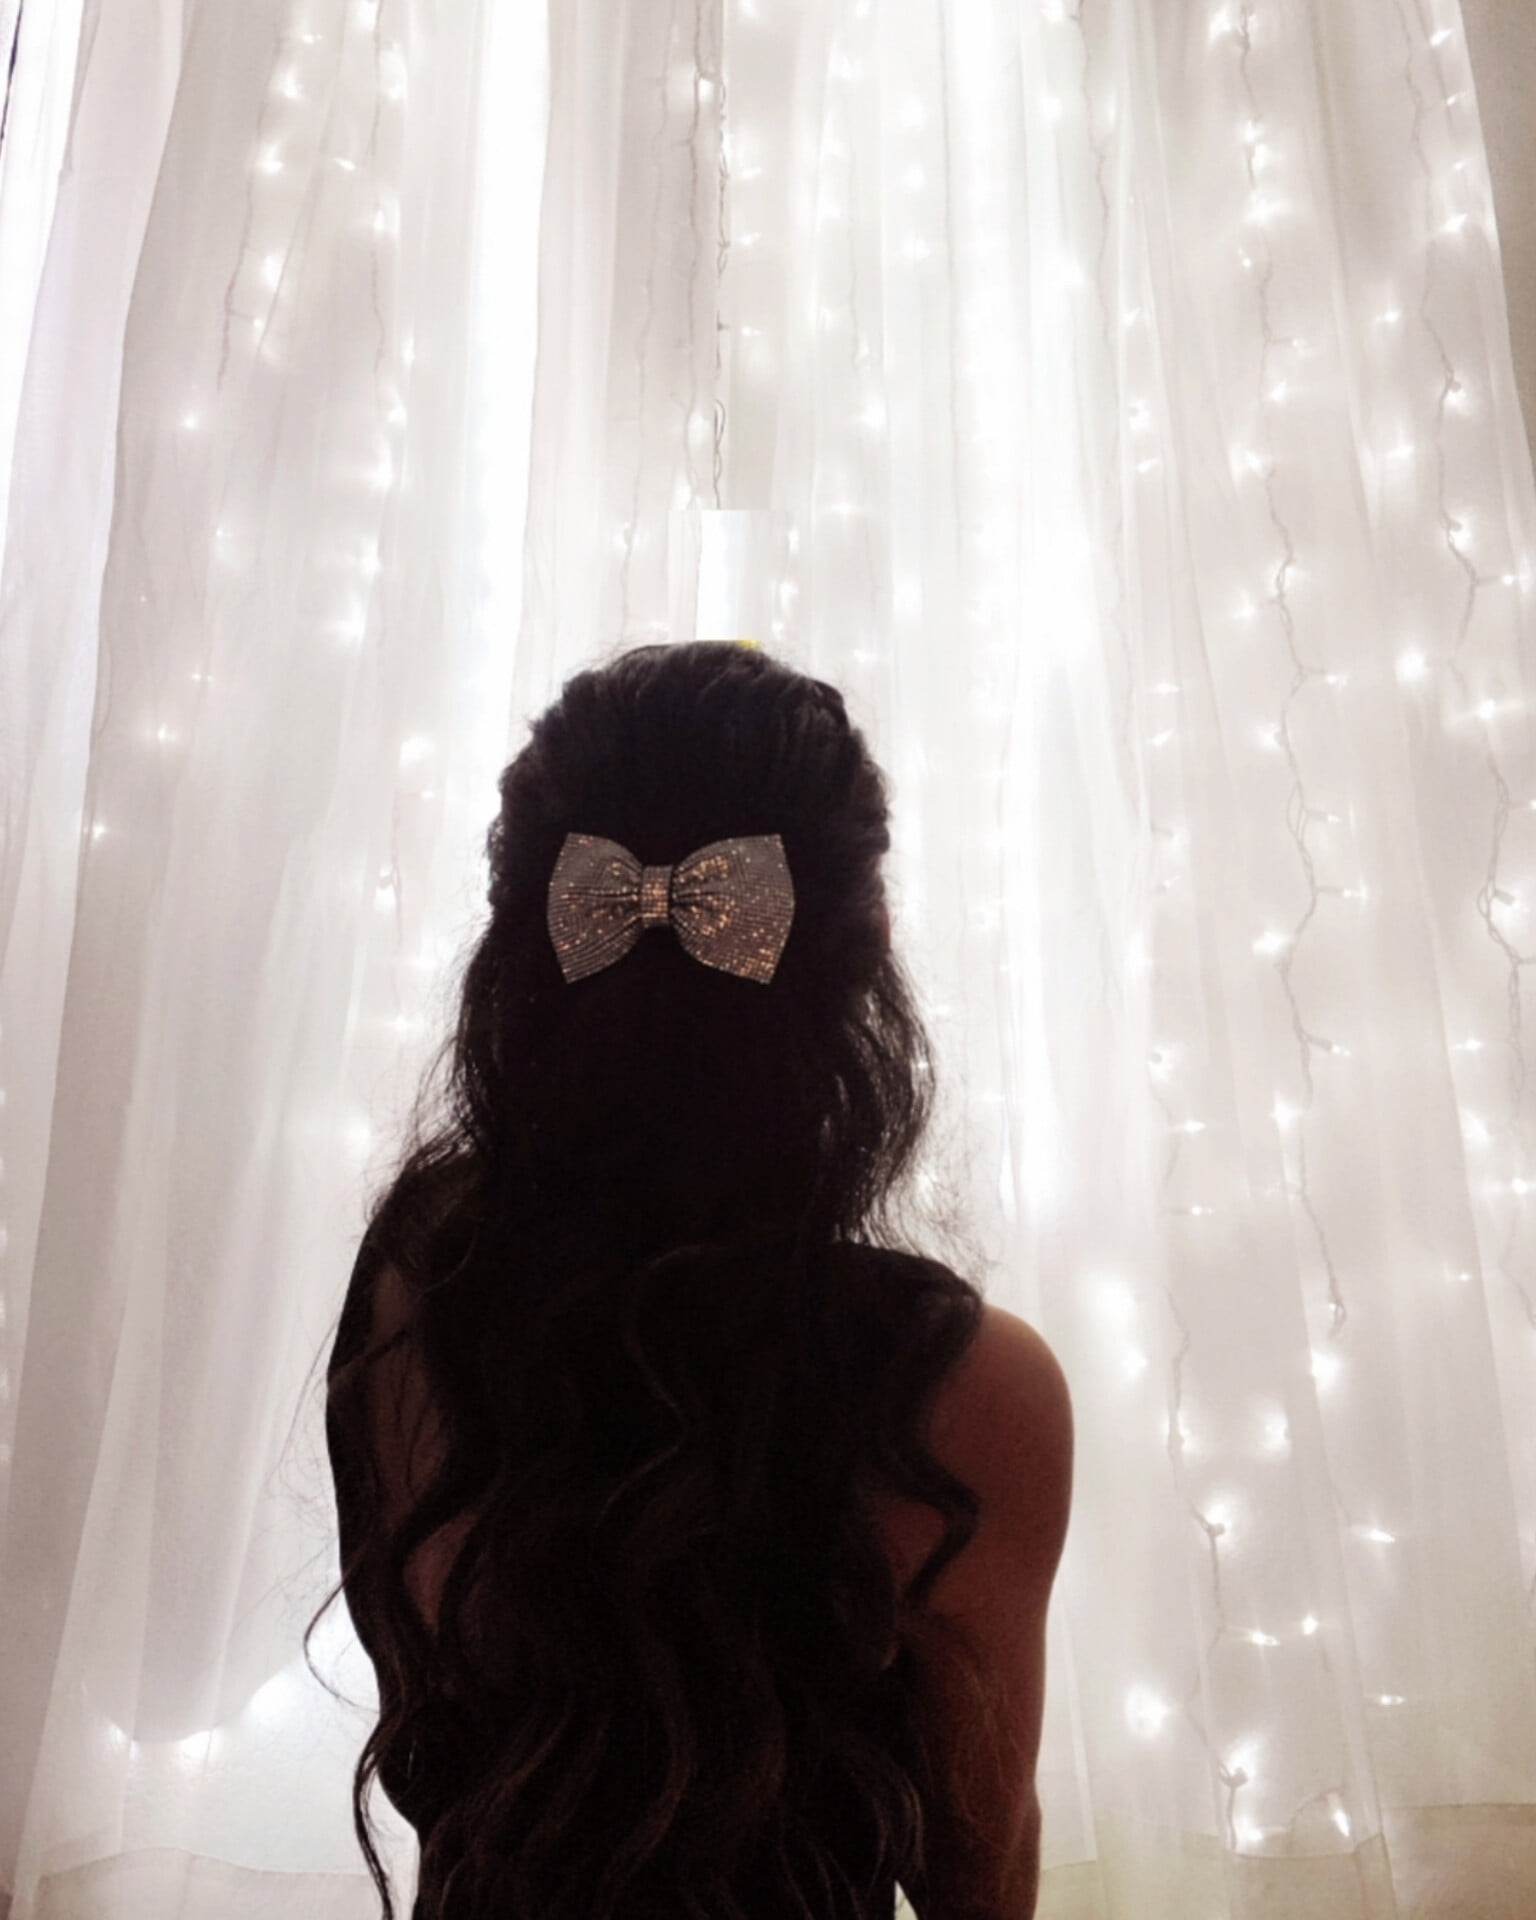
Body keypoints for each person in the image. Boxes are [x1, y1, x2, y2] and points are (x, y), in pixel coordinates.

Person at [310, 640, 1074, 1918]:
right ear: (866, 949)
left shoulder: (417, 1285)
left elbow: (435, 1738)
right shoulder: (975, 1388)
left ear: (527, 939)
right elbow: (977, 1872)